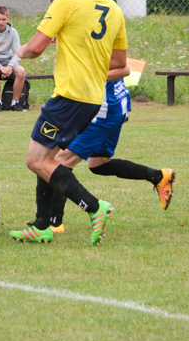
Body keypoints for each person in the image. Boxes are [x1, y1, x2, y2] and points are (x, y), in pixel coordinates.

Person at [9, 0, 127, 246]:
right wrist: (83, 53)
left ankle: (94, 206)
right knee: (49, 158)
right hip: (91, 99)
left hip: (69, 97)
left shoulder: (68, 0)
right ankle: (42, 226)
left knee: (36, 160)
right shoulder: (115, 10)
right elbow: (120, 63)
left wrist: (20, 51)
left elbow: (35, 48)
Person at [44, 61, 175, 234]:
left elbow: (124, 69)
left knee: (60, 162)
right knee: (99, 163)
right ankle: (158, 176)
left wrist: (89, 77)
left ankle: (55, 223)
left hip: (104, 110)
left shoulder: (89, 37)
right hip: (114, 104)